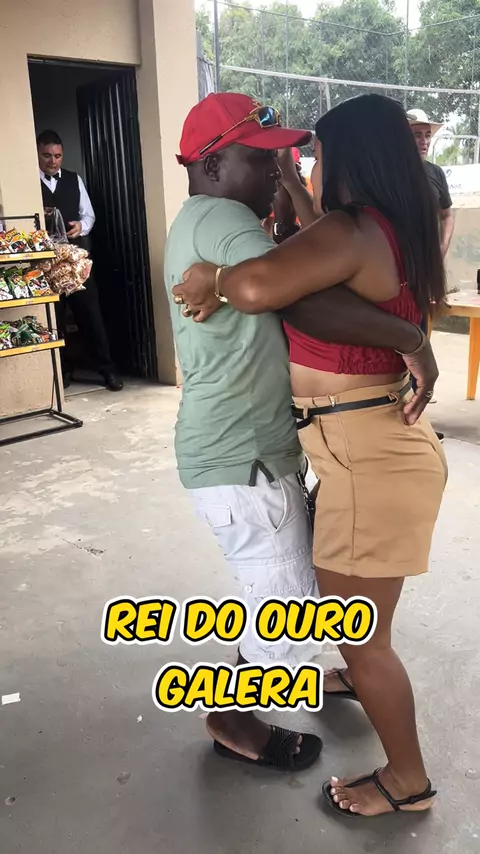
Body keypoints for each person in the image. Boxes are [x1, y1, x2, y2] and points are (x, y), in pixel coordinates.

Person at [173, 94, 447, 815]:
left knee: (359, 637)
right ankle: (356, 684)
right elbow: (313, 265)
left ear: (347, 160)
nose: (299, 169)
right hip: (371, 449)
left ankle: (407, 782)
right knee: (360, 618)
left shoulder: (351, 232)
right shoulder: (383, 225)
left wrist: (219, 281)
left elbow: (269, 287)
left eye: (312, 157)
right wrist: (298, 191)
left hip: (368, 460)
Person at [37, 130, 123, 392]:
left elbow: (89, 216)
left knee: (91, 315)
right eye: (47, 155)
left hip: (76, 263)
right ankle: (63, 371)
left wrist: (80, 227)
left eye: (57, 156)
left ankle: (108, 370)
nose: (53, 161)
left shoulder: (74, 179)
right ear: (37, 154)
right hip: (45, 264)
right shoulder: (28, 181)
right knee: (54, 319)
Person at [407, 108, 454, 258]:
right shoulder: (389, 174)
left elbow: (447, 216)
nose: (425, 141)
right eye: (417, 135)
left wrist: (442, 247)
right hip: (396, 262)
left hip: (429, 260)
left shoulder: (436, 173)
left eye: (427, 135)